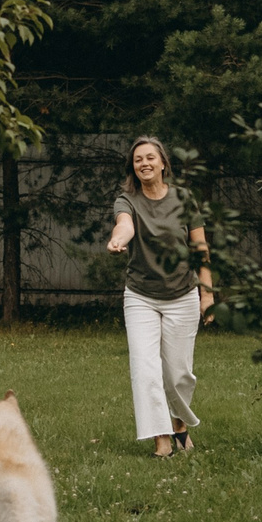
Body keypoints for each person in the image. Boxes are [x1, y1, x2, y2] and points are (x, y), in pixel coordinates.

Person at [104, 136, 213, 458]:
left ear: (163, 163)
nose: (144, 163)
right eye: (138, 159)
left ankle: (179, 424)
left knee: (179, 373)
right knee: (145, 369)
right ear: (133, 167)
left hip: (182, 293)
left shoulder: (183, 198)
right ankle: (161, 439)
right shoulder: (127, 200)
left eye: (150, 157)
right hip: (141, 296)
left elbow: (200, 248)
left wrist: (207, 293)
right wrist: (118, 240)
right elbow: (124, 225)